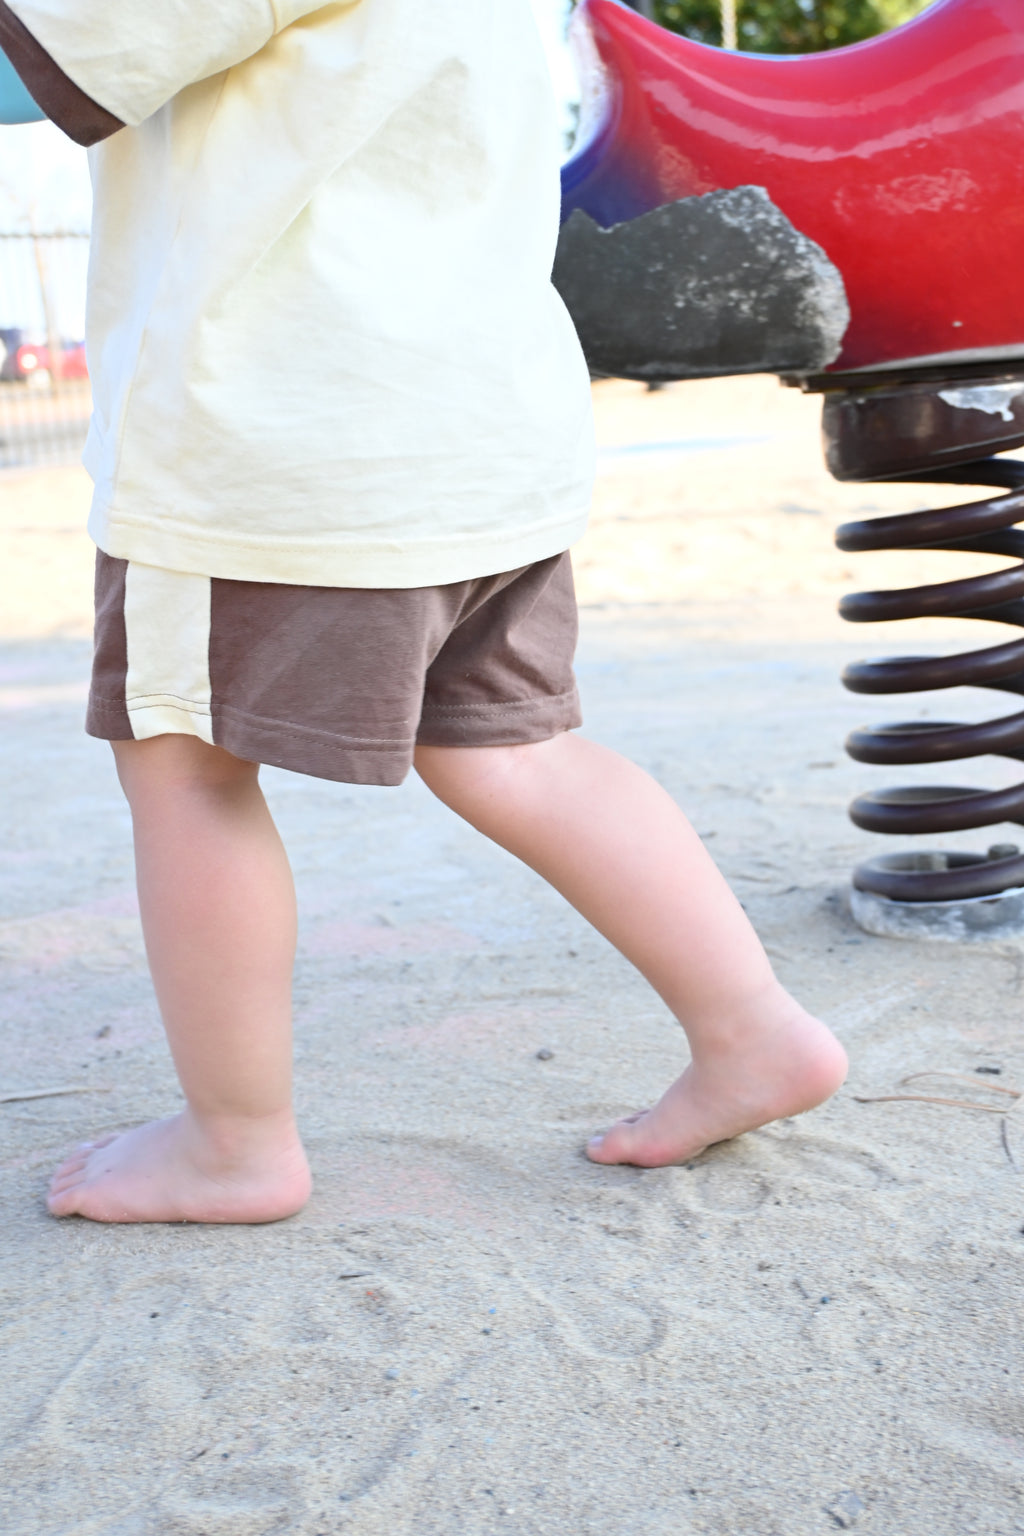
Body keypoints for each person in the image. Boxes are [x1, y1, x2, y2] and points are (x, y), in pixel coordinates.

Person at [1, 0, 848, 1224]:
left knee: (184, 764)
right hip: (481, 430)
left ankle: (234, 1145)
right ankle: (754, 1029)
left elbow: (46, 65)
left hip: (281, 432)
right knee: (522, 750)